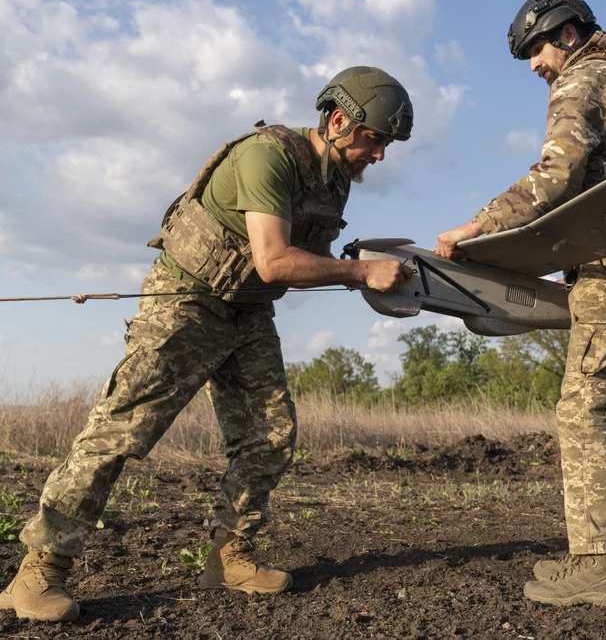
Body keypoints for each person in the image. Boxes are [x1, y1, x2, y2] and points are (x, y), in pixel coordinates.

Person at [0, 67, 415, 622]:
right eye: (375, 140)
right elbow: (274, 260)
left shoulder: (332, 180)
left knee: (270, 435)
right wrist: (361, 272)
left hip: (246, 311)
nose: (380, 155)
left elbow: (279, 272)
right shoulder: (267, 157)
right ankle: (39, 571)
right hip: (186, 301)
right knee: (121, 430)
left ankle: (230, 556)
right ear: (339, 121)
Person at [435, 0, 606, 608]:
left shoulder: (585, 77)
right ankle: (593, 556)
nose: (533, 66)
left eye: (535, 50)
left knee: (585, 413)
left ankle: (597, 566)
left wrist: (478, 226)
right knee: (600, 411)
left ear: (567, 34)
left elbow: (556, 175)